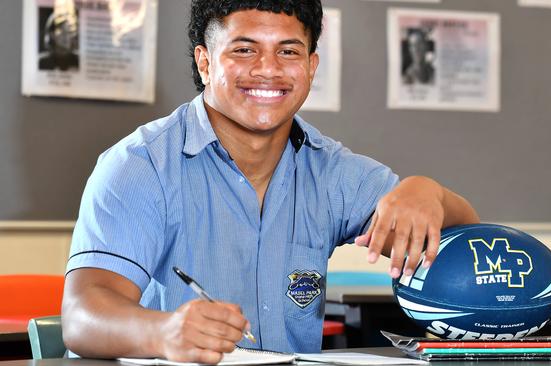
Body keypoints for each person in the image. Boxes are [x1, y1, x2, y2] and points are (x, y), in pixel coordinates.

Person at [62, 0, 479, 363]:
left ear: (311, 67)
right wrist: (163, 332)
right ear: (205, 62)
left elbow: (467, 239)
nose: (267, 70)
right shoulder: (140, 165)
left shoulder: (331, 170)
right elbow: (81, 317)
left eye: (288, 51)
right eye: (244, 50)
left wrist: (427, 191)